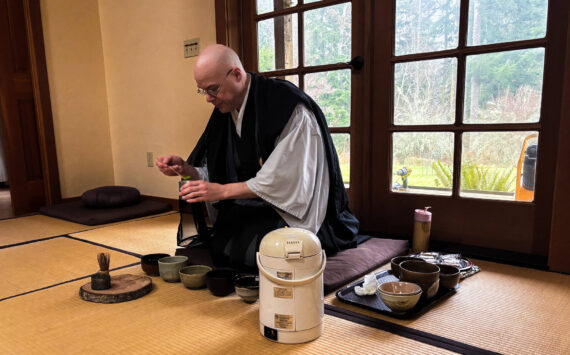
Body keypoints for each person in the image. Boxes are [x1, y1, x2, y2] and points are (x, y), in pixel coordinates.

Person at [156, 44, 367, 269]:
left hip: (291, 208)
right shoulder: (224, 111)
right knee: (224, 247)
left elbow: (289, 180)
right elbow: (220, 170)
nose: (208, 98)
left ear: (236, 74)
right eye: (203, 91)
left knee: (259, 253)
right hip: (253, 203)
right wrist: (187, 170)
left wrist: (223, 191)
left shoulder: (284, 104)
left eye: (212, 89)